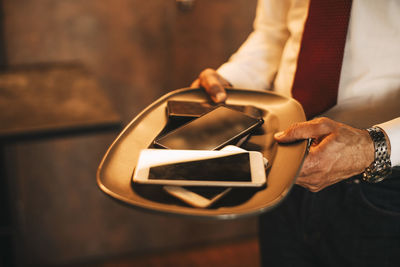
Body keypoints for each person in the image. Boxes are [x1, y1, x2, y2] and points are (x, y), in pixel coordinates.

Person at [191, 0, 400, 266]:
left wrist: (373, 146)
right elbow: (273, 34)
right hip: (284, 162)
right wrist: (231, 80)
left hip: (384, 183)